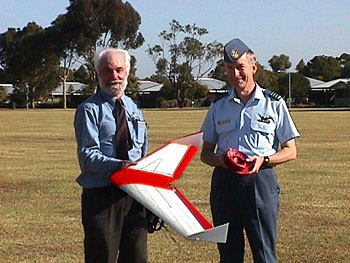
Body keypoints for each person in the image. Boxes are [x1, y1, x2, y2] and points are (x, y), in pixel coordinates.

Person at [200, 38, 300, 263]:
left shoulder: (274, 104)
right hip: (224, 186)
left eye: (240, 68)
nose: (235, 74)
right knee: (229, 256)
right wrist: (220, 160)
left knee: (264, 255)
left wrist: (264, 159)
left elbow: (291, 150)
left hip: (260, 183)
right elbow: (205, 153)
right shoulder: (218, 107)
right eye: (229, 69)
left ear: (254, 68)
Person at [74, 48, 149, 263]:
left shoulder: (135, 108)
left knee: (137, 257)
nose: (114, 76)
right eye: (107, 71)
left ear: (128, 72)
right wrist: (121, 166)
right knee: (102, 257)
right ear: (98, 74)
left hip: (135, 196)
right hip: (102, 196)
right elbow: (87, 157)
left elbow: (142, 152)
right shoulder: (89, 110)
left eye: (119, 70)